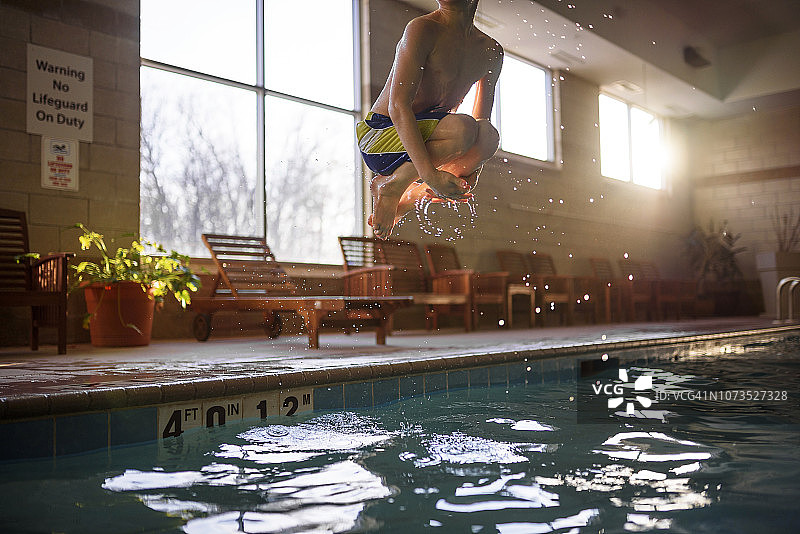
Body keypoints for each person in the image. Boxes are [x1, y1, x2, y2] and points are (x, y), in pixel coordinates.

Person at [356, 0, 503, 239]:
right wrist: (431, 175)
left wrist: (472, 168)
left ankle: (410, 196)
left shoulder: (491, 51)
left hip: (430, 138)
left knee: (488, 136)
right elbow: (398, 106)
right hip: (381, 137)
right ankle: (393, 185)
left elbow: (482, 121)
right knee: (463, 128)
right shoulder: (422, 29)